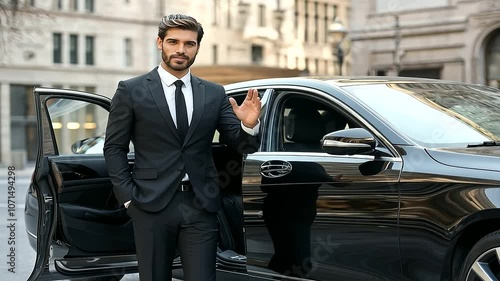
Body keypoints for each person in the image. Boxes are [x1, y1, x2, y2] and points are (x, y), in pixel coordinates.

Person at [103, 14, 261, 281]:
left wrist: (249, 124)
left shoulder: (213, 92)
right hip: (149, 203)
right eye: (173, 42)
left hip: (201, 203)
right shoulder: (131, 90)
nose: (180, 50)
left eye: (189, 44)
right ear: (159, 43)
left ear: (197, 47)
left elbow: (243, 145)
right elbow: (114, 147)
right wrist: (128, 197)